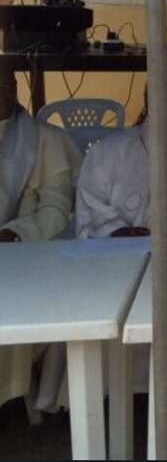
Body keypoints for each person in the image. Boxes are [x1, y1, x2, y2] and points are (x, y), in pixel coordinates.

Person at [35, 68, 167, 409]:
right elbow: (90, 203)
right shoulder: (109, 150)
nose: (164, 100)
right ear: (145, 96)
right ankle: (107, 385)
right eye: (157, 92)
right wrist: (118, 230)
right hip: (114, 256)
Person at [0, 62, 80, 412]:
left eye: (5, 84)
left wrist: (12, 234)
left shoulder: (47, 141)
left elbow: (55, 211)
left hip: (25, 251)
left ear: (14, 88)